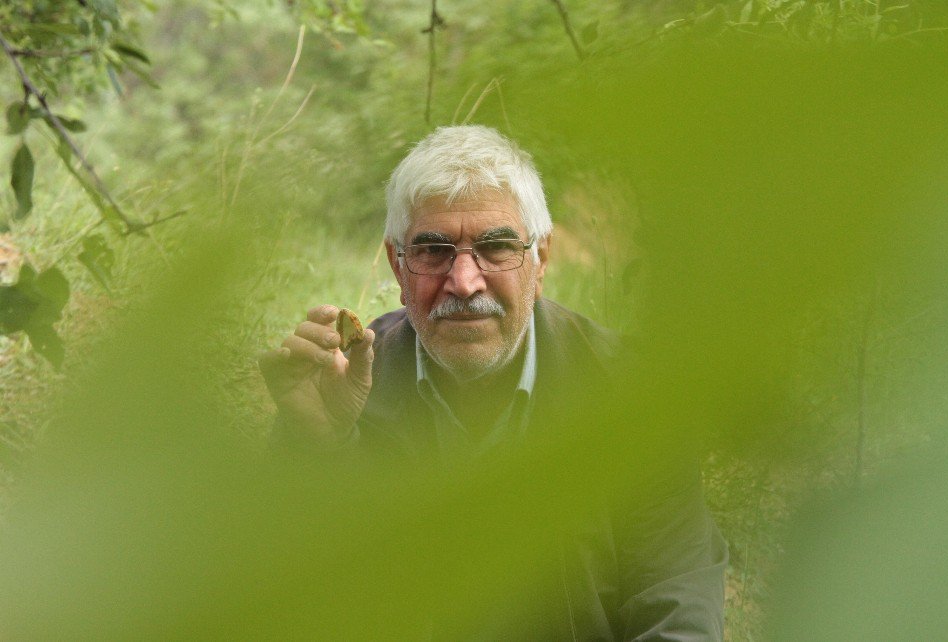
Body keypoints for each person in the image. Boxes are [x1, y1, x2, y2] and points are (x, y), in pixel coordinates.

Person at [259, 125, 727, 640]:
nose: (463, 282)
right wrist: (317, 447)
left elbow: (679, 613)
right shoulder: (346, 388)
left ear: (541, 260)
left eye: (497, 246)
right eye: (433, 251)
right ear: (397, 264)